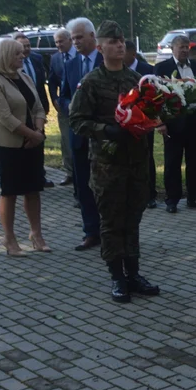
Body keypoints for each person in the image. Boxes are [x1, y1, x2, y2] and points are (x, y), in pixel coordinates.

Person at [70, 21, 160, 303]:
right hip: (108, 164)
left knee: (133, 220)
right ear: (100, 47)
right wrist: (106, 130)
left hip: (136, 161)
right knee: (110, 222)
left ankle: (133, 273)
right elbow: (77, 121)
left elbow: (149, 111)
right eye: (112, 41)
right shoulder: (92, 82)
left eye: (121, 40)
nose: (120, 45)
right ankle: (117, 276)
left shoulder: (136, 79)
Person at [0, 39, 50, 256]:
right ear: (5, 56)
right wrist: (32, 135)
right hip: (10, 145)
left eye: (23, 53)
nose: (23, 56)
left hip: (33, 142)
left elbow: (39, 106)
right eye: (17, 54)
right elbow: (5, 117)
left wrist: (38, 134)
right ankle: (9, 239)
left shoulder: (25, 77)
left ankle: (36, 234)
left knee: (33, 189)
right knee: (10, 191)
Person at [60, 17, 104, 251]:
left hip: (103, 134)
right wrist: (69, 105)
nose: (75, 42)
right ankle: (90, 231)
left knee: (105, 186)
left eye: (79, 37)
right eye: (72, 38)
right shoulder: (70, 64)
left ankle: (109, 230)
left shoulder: (105, 62)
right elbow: (63, 94)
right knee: (84, 185)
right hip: (79, 134)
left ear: (92, 36)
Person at [155, 35, 196, 213]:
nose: (185, 50)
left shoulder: (195, 65)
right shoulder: (162, 67)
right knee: (172, 162)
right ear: (173, 48)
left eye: (187, 47)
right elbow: (157, 97)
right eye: (182, 47)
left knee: (195, 161)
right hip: (174, 123)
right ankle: (172, 200)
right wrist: (161, 122)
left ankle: (195, 198)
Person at [14, 31, 54, 189]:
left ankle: (40, 176)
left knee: (39, 141)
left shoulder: (37, 59)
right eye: (22, 47)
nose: (26, 50)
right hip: (21, 111)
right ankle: (22, 177)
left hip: (38, 109)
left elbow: (41, 85)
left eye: (28, 46)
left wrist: (45, 106)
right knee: (23, 144)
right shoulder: (13, 64)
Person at [126, 40, 159, 209]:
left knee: (147, 157)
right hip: (125, 121)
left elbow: (155, 94)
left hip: (145, 120)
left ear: (132, 53)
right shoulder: (118, 71)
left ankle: (150, 194)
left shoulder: (147, 70)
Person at [48, 28, 77, 186]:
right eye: (56, 42)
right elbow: (52, 81)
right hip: (64, 106)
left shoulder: (80, 55)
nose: (58, 45)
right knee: (66, 140)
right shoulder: (55, 58)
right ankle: (69, 172)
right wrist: (55, 99)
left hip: (80, 104)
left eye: (61, 41)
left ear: (69, 40)